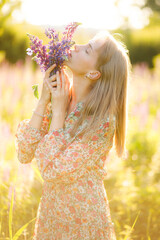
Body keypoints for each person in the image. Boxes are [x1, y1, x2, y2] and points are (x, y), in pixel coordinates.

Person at [15, 30, 131, 239]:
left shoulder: (101, 121)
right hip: (51, 218)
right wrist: (44, 100)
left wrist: (58, 112)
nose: (76, 46)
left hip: (82, 220)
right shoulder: (61, 97)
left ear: (94, 73)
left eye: (87, 50)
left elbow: (52, 170)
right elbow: (24, 153)